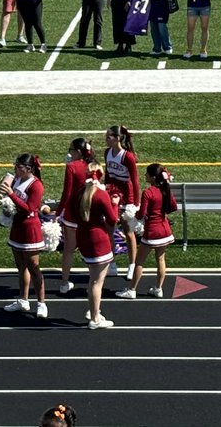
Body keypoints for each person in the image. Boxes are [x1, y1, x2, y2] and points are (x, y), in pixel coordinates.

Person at [116, 163, 177, 300]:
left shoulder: (148, 193)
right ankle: (159, 289)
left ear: (153, 177)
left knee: (139, 262)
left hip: (152, 232)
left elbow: (140, 214)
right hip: (165, 230)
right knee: (160, 260)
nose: (145, 176)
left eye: (147, 174)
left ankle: (132, 290)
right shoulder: (165, 190)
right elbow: (173, 207)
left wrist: (133, 215)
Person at [0, 153, 47, 319]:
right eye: (15, 166)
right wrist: (5, 198)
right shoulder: (17, 179)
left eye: (19, 167)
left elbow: (29, 208)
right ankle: (23, 300)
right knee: (21, 266)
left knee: (34, 267)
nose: (15, 169)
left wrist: (11, 194)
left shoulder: (36, 185)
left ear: (28, 169)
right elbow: (12, 201)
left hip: (30, 230)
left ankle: (41, 303)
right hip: (17, 228)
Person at [76, 165, 118, 329]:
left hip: (83, 237)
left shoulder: (79, 192)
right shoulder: (101, 195)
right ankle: (95, 319)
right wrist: (114, 203)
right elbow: (113, 219)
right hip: (98, 240)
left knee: (93, 279)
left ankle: (94, 310)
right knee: (97, 281)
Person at [57, 137, 97, 294]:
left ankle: (64, 283)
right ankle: (93, 283)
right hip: (89, 212)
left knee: (68, 250)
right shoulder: (94, 166)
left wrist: (58, 212)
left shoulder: (71, 167)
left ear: (78, 152)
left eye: (71, 150)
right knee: (91, 249)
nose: (69, 153)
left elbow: (66, 193)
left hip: (73, 214)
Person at [104, 124, 140, 280]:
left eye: (108, 137)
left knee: (128, 231)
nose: (106, 139)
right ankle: (111, 263)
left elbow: (135, 180)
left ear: (118, 138)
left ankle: (132, 265)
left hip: (127, 194)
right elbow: (107, 174)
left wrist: (135, 204)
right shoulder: (107, 153)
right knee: (109, 230)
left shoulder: (127, 157)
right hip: (112, 193)